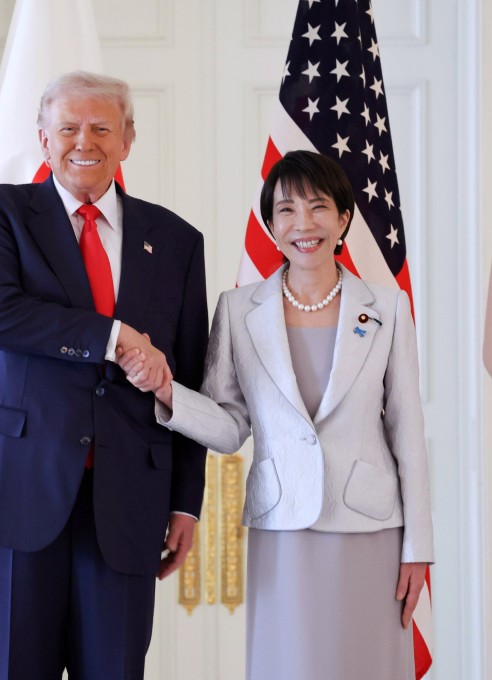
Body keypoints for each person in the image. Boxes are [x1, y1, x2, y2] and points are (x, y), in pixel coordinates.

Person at [0, 71, 209, 680]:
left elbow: (188, 376)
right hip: (14, 485)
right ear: (43, 139)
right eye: (68, 128)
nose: (85, 141)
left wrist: (186, 502)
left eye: (102, 128)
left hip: (129, 498)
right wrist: (115, 336)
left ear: (127, 139)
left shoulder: (177, 240)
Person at [120, 150, 433, 679]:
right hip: (282, 525)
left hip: (371, 529)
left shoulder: (387, 307)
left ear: (343, 219)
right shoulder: (238, 309)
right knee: (289, 664)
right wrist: (168, 391)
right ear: (270, 224)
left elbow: (407, 431)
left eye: (319, 207)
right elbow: (229, 426)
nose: (303, 224)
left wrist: (418, 546)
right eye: (286, 210)